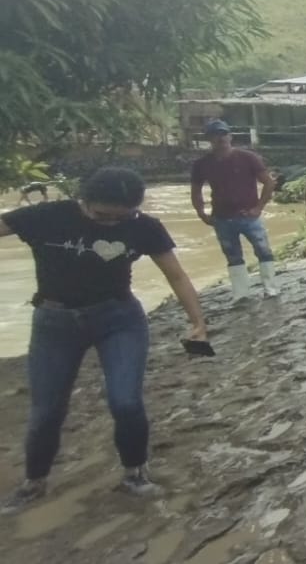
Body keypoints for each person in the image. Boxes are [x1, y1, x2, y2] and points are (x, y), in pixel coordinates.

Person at [0, 167, 211, 513]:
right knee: (46, 411)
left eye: (122, 217)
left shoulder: (145, 227)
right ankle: (33, 483)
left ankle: (135, 474)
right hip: (55, 324)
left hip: (119, 320)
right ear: (83, 201)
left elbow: (175, 274)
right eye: (102, 216)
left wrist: (198, 321)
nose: (112, 223)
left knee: (126, 402)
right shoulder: (46, 216)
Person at [190, 120, 280, 301]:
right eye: (216, 135)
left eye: (223, 134)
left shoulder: (248, 158)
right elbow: (196, 191)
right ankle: (241, 295)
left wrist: (258, 208)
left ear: (230, 137)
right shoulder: (202, 164)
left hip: (249, 216)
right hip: (222, 218)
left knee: (263, 251)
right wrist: (201, 213)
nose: (220, 139)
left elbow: (269, 182)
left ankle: (271, 289)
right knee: (233, 256)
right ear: (209, 139)